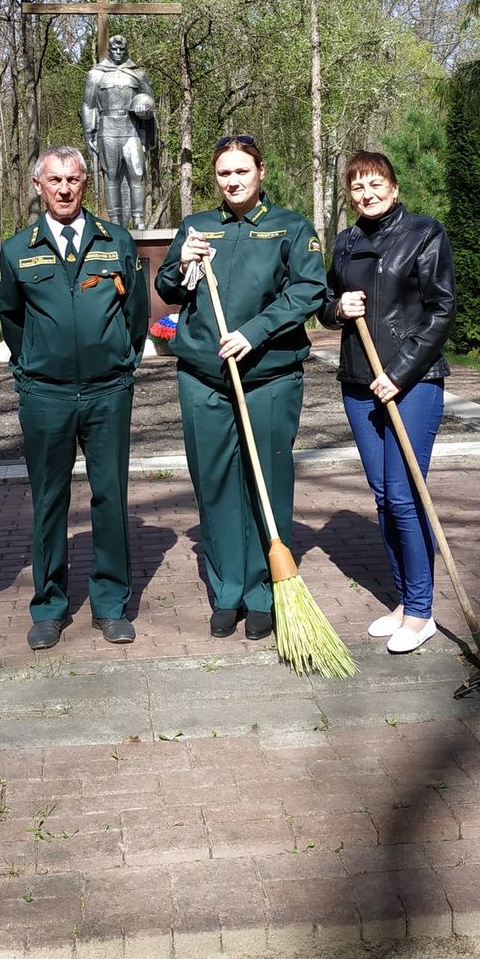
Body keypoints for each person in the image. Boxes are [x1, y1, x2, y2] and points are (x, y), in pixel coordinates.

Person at [156, 136, 326, 639]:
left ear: (261, 172)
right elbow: (166, 289)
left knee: (266, 482)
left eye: (242, 171)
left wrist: (253, 333)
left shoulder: (290, 227)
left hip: (268, 376)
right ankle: (226, 589)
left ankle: (261, 591)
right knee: (214, 483)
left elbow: (308, 290)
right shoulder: (197, 227)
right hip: (203, 378)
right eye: (224, 173)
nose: (233, 181)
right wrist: (183, 260)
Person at [0, 145, 149, 650]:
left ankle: (110, 604)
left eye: (73, 179)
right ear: (38, 186)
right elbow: (13, 320)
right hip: (45, 395)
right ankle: (49, 606)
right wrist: (33, 368)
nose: (64, 189)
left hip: (108, 392)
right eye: (54, 180)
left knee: (110, 498)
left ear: (87, 184)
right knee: (48, 502)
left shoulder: (116, 241)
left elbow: (137, 315)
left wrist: (122, 362)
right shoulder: (18, 249)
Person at [320, 150, 456, 655]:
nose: (367, 194)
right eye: (357, 187)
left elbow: (441, 311)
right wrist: (337, 308)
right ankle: (404, 601)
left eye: (376, 184)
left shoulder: (424, 234)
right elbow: (323, 302)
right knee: (382, 496)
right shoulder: (346, 242)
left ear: (394, 188)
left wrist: (399, 374)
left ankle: (421, 613)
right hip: (358, 383)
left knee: (404, 496)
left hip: (413, 382)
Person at [80, 34, 157, 228]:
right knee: (111, 175)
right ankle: (115, 221)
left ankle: (139, 219)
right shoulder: (96, 74)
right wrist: (89, 131)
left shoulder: (137, 74)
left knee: (137, 173)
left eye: (122, 49)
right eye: (114, 49)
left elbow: (149, 100)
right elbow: (88, 105)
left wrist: (145, 109)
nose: (118, 53)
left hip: (131, 129)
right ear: (109, 50)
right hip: (107, 129)